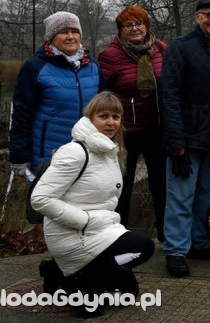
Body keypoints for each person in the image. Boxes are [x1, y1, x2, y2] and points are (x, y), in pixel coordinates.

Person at [30, 91, 155, 319]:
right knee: (89, 311)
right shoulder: (75, 152)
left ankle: (61, 271)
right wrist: (84, 221)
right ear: (90, 118)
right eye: (103, 116)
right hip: (72, 232)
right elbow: (40, 199)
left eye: (116, 117)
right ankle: (74, 277)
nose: (111, 122)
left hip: (100, 229)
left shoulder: (109, 150)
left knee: (128, 292)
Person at [160, 0, 210, 277]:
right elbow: (169, 96)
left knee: (205, 197)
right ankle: (176, 250)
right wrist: (176, 142)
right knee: (181, 196)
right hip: (188, 139)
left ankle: (201, 242)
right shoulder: (181, 48)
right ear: (197, 17)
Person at [97, 5, 167, 241]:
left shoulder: (160, 49)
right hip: (124, 131)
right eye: (129, 25)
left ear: (147, 26)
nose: (135, 28)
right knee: (122, 185)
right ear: (120, 30)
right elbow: (102, 95)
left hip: (155, 128)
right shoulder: (110, 56)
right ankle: (119, 234)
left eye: (139, 23)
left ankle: (165, 232)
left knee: (161, 182)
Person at [10, 12, 99, 176]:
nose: (70, 37)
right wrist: (19, 155)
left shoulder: (92, 66)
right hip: (49, 153)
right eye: (64, 32)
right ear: (51, 37)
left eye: (75, 31)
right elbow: (22, 114)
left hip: (87, 152)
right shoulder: (35, 67)